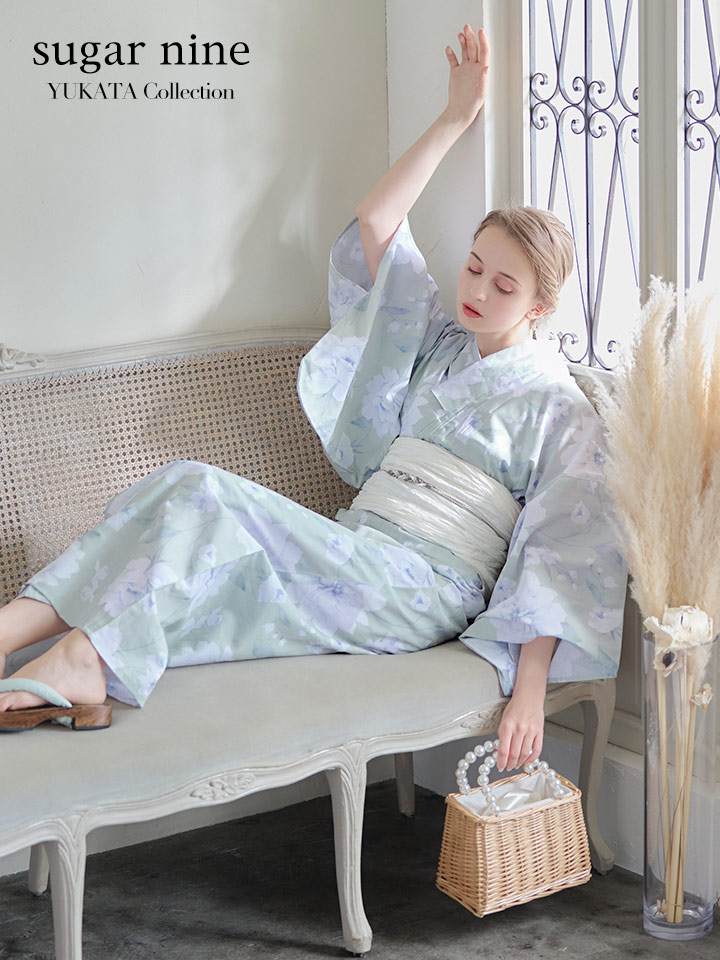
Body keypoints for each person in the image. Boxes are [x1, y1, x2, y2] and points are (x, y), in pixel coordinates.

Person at [0, 25, 626, 774]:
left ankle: (74, 657)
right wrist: (454, 117)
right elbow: (378, 222)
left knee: (204, 494)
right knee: (181, 489)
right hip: (357, 545)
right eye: (473, 267)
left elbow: (557, 554)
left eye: (504, 285)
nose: (478, 291)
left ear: (540, 306)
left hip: (424, 589)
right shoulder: (439, 341)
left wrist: (528, 690)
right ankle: (41, 643)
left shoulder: (562, 409)